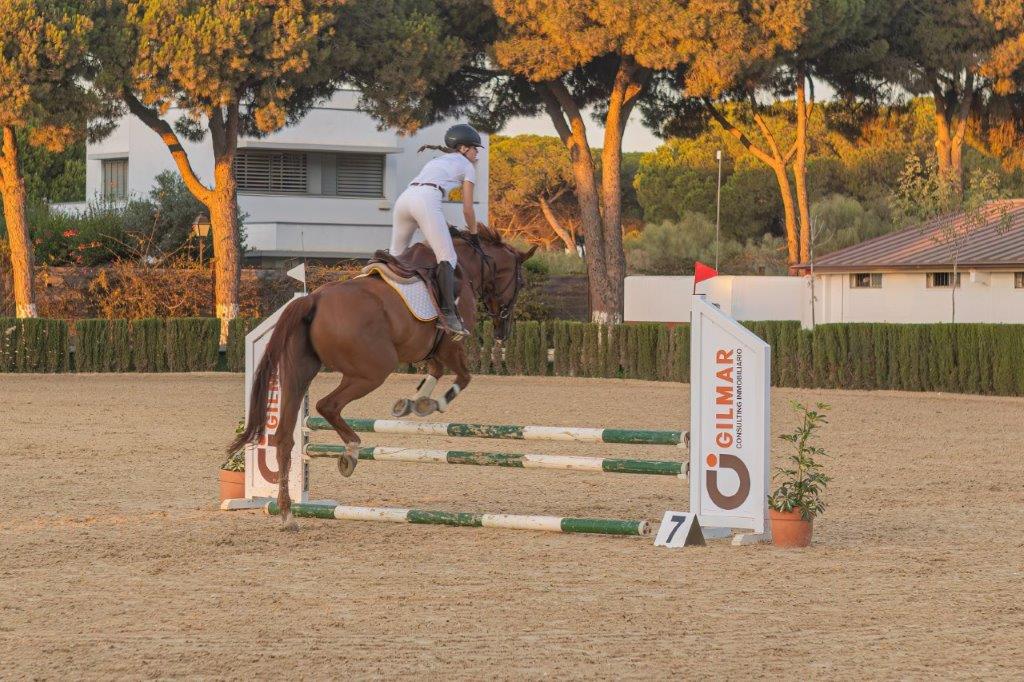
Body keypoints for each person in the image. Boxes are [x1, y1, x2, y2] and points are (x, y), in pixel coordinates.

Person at [390, 123, 483, 336]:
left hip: (404, 199)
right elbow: (468, 210)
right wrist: (475, 234)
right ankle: (448, 315)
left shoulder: (439, 160)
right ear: (463, 149)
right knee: (448, 258)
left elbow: (427, 209)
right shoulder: (468, 168)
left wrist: (449, 228)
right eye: (474, 148)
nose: (477, 153)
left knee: (395, 255)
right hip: (426, 201)